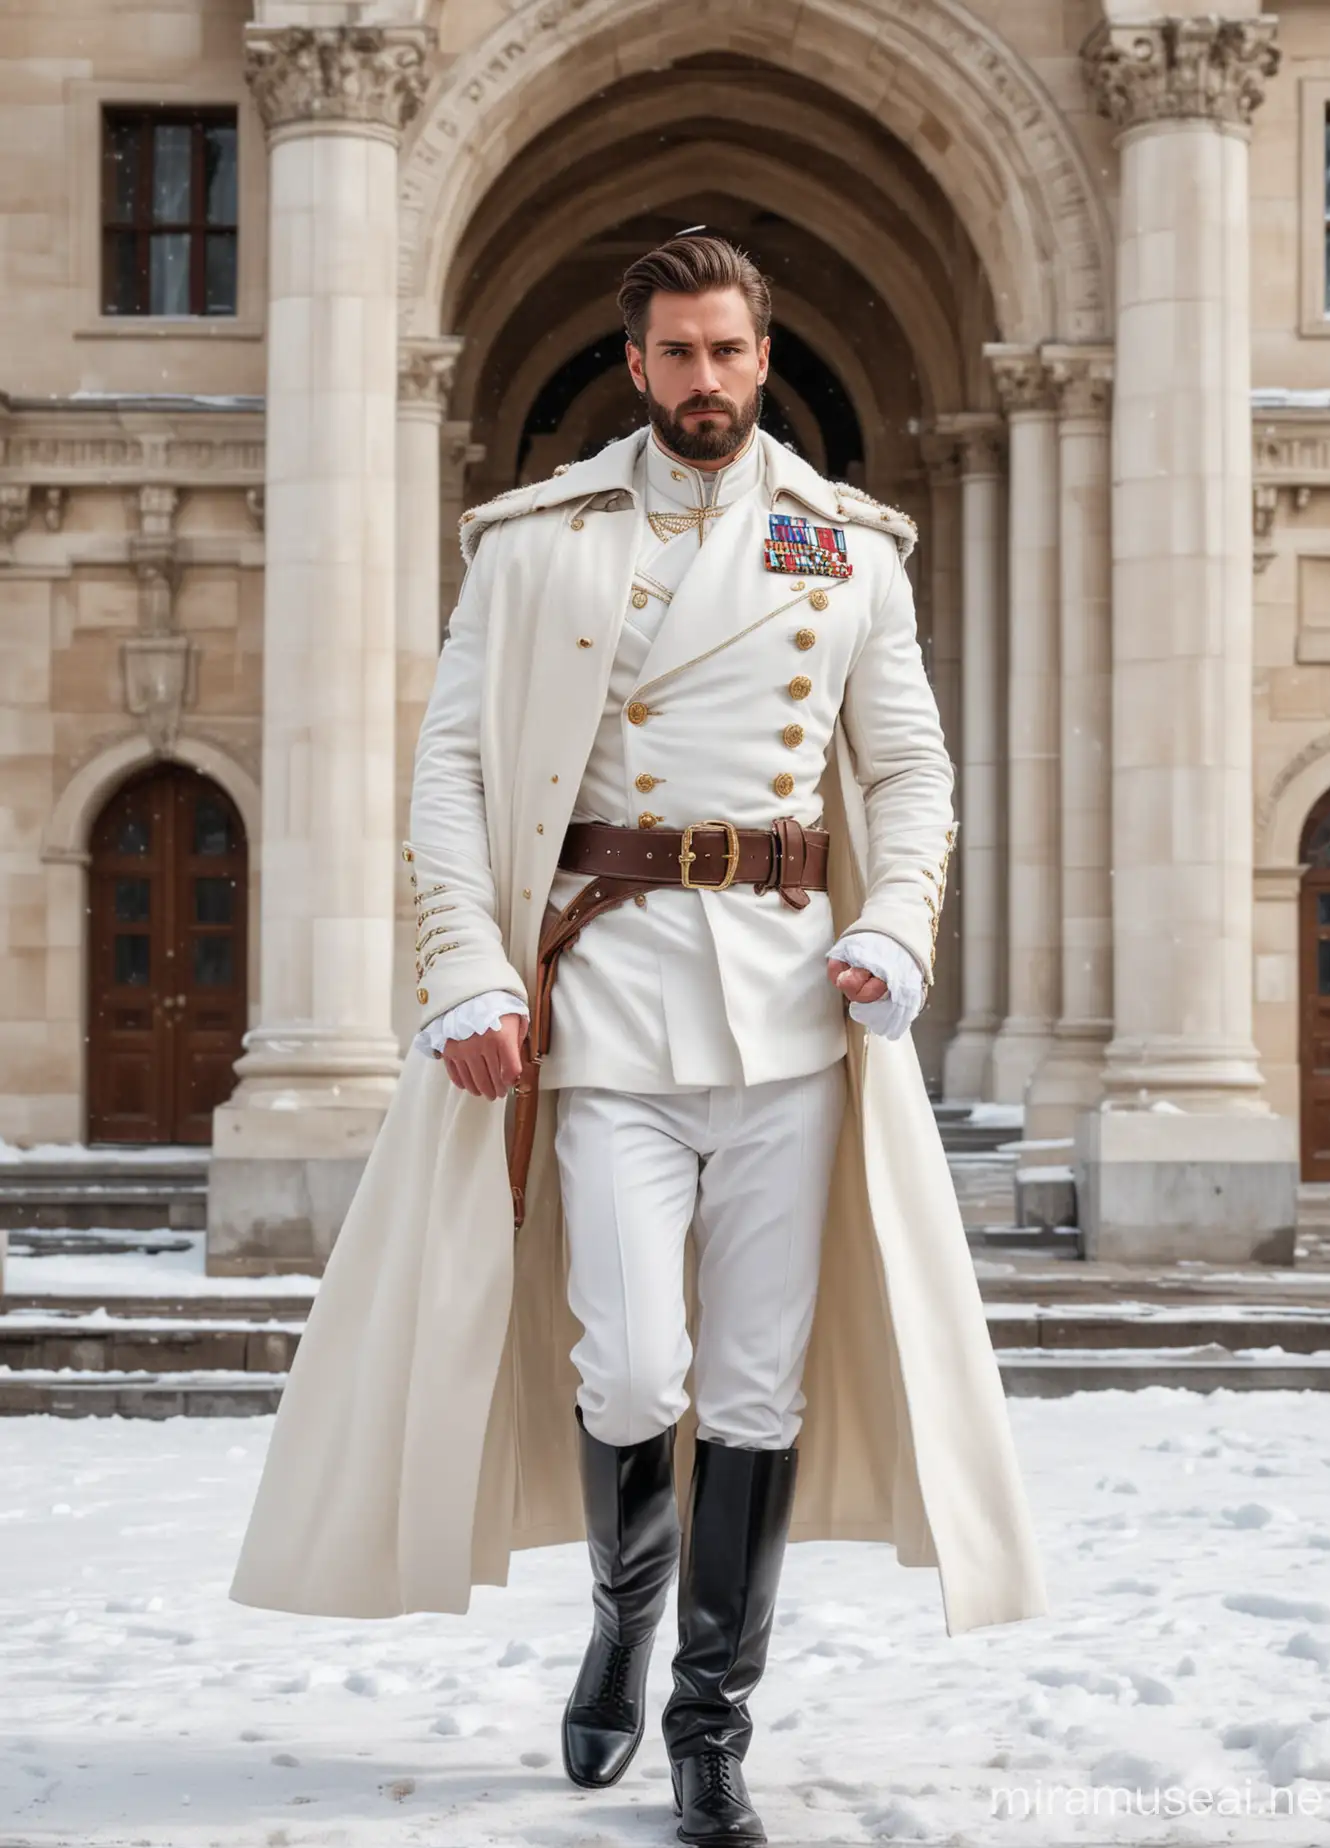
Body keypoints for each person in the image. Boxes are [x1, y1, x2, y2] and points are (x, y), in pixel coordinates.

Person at [230, 234, 1047, 1848]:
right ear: (636, 365)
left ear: (764, 353)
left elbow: (911, 776)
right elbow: (454, 772)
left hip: (794, 1013)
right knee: (631, 1363)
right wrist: (467, 967)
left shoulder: (852, 552)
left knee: (753, 1385)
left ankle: (709, 1720)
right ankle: (624, 1607)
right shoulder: (535, 546)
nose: (706, 384)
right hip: (600, 1008)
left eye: (730, 354)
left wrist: (896, 928)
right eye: (676, 356)